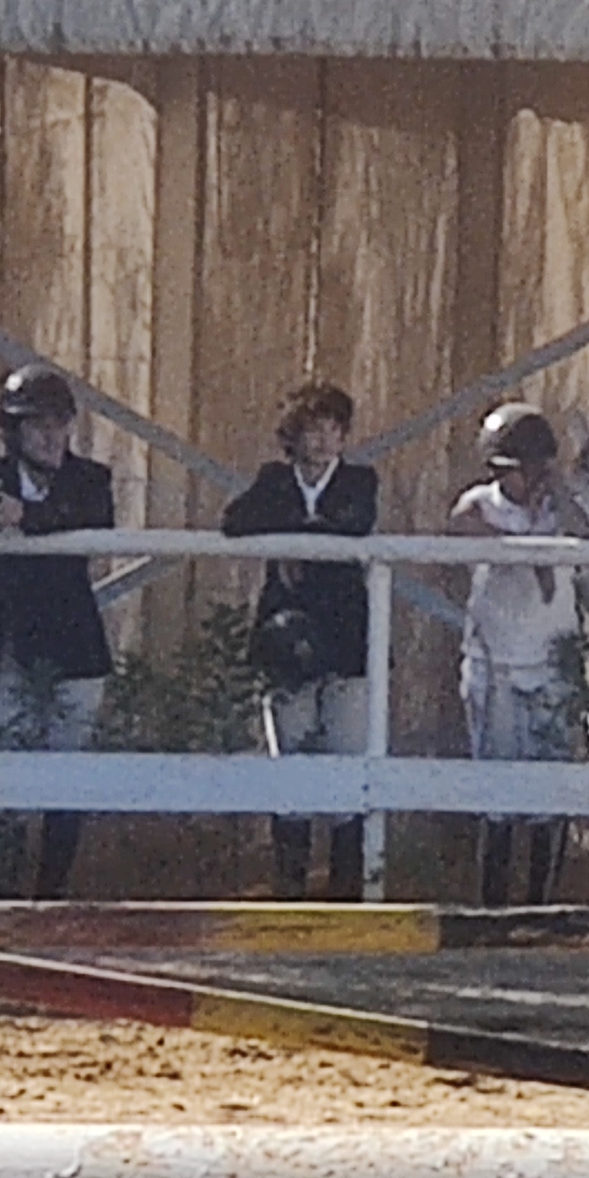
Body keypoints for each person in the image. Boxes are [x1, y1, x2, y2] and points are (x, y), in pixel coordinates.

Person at [221, 382, 380, 900]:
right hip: (286, 638)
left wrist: (293, 538)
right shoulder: (274, 480)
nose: (325, 440)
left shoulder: (358, 479)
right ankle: (290, 883)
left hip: (345, 636)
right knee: (289, 753)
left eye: (335, 429)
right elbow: (235, 521)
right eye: (314, 430)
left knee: (348, 756)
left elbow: (355, 523)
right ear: (293, 437)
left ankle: (346, 888)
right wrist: (301, 529)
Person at [0, 366, 116, 899]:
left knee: (67, 773)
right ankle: (3, 896)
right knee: (5, 769)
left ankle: (52, 895)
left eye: (59, 423)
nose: (52, 435)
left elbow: (93, 519)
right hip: (9, 644)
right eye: (38, 425)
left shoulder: (91, 479)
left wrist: (26, 515)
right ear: (13, 431)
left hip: (74, 645)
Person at [450, 402, 589, 908]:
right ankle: (493, 903)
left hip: (550, 659)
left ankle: (540, 900)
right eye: (515, 469)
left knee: (551, 786)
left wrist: (558, 496)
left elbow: (585, 536)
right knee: (498, 788)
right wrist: (528, 550)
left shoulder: (558, 511)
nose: (524, 479)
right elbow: (459, 526)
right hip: (498, 661)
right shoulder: (481, 504)